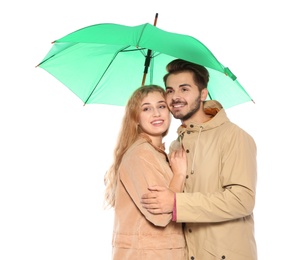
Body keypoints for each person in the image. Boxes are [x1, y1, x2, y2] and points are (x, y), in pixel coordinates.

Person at [141, 59, 258, 260]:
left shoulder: (233, 136)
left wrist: (177, 203)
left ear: (203, 94)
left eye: (184, 89)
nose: (175, 97)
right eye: (169, 91)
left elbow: (242, 200)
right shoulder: (176, 144)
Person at [104, 85, 187, 260]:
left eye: (161, 106)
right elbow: (161, 215)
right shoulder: (141, 155)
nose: (156, 113)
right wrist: (179, 175)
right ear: (136, 118)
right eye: (146, 108)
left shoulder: (155, 154)